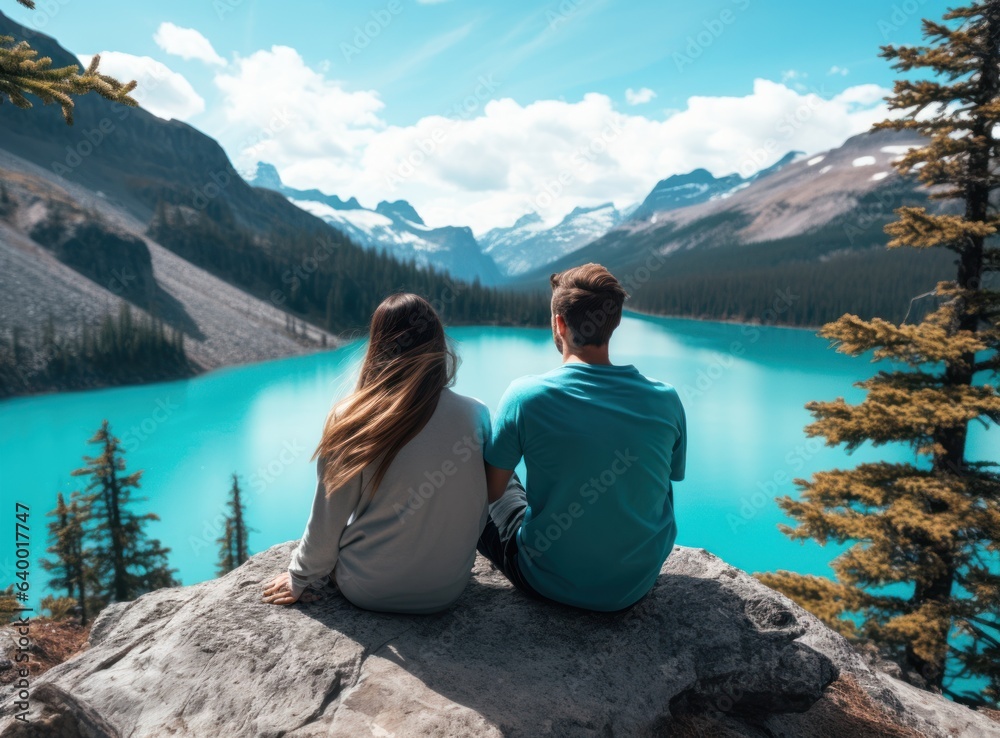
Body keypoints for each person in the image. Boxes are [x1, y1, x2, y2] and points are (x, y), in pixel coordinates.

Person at [263, 293, 490, 614]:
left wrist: (299, 577)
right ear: (438, 345)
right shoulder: (476, 413)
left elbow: (327, 524)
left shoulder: (352, 417)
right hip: (448, 589)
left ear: (379, 345)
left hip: (368, 588)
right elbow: (478, 507)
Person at [478, 263, 686, 612]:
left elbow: (490, 492)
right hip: (635, 585)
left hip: (546, 579)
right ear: (615, 322)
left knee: (497, 472)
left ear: (559, 323)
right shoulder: (666, 398)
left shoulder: (525, 396)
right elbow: (668, 477)